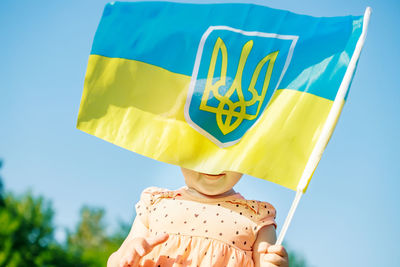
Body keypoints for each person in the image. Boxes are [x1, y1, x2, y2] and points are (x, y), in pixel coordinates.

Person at [107, 168, 289, 267]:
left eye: (228, 148)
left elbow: (267, 263)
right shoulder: (156, 202)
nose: (215, 161)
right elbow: (116, 261)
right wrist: (124, 258)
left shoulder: (257, 217)